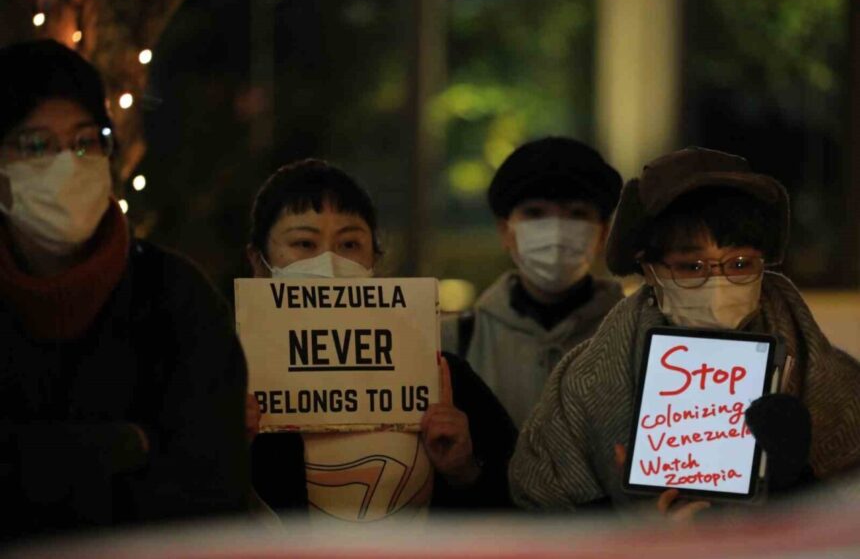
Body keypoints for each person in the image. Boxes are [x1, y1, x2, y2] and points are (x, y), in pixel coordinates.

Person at [509, 146, 860, 513]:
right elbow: (538, 508)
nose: (719, 283)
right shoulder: (583, 384)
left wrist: (795, 482)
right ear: (648, 269)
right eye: (692, 267)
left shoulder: (828, 376)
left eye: (740, 263)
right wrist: (628, 529)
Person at [0, 40, 249, 541]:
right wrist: (121, 446)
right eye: (35, 145)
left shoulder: (177, 300)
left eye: (85, 141)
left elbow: (207, 496)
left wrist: (37, 462)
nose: (68, 163)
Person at [246, 159, 517, 521]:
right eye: (304, 243)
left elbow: (520, 512)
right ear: (259, 264)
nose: (329, 262)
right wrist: (224, 452)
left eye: (349, 243)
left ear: (374, 259)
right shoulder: (227, 386)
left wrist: (464, 470)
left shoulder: (440, 376)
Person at [441, 137, 624, 428]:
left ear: (602, 233)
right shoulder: (454, 342)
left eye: (577, 214)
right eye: (535, 213)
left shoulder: (636, 336)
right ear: (505, 231)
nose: (556, 231)